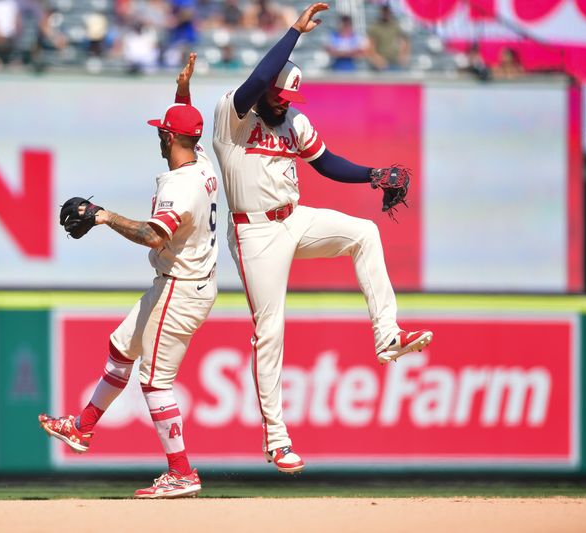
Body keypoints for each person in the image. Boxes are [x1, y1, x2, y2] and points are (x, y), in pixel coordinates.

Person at [211, 3, 433, 474]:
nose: (285, 105)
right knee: (269, 332)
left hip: (294, 219)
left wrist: (374, 174)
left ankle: (387, 335)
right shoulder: (234, 116)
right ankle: (276, 440)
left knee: (364, 233)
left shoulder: (292, 121)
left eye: (291, 100)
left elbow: (326, 163)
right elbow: (257, 80)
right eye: (280, 98)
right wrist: (294, 31)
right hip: (255, 233)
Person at [39, 55, 220, 499]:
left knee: (155, 380)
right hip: (178, 281)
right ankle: (81, 427)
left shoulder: (182, 185)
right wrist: (183, 92)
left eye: (163, 129)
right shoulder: (202, 160)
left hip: (181, 287)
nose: (159, 133)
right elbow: (187, 129)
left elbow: (154, 235)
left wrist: (103, 216)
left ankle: (182, 472)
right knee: (121, 348)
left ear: (172, 136)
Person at [366, 3, 409, 71]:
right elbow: (370, 46)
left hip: (395, 63)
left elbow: (405, 41)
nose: (386, 13)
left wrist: (403, 55)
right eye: (384, 11)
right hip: (380, 64)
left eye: (387, 11)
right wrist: (377, 58)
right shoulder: (375, 27)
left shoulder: (396, 26)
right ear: (381, 12)